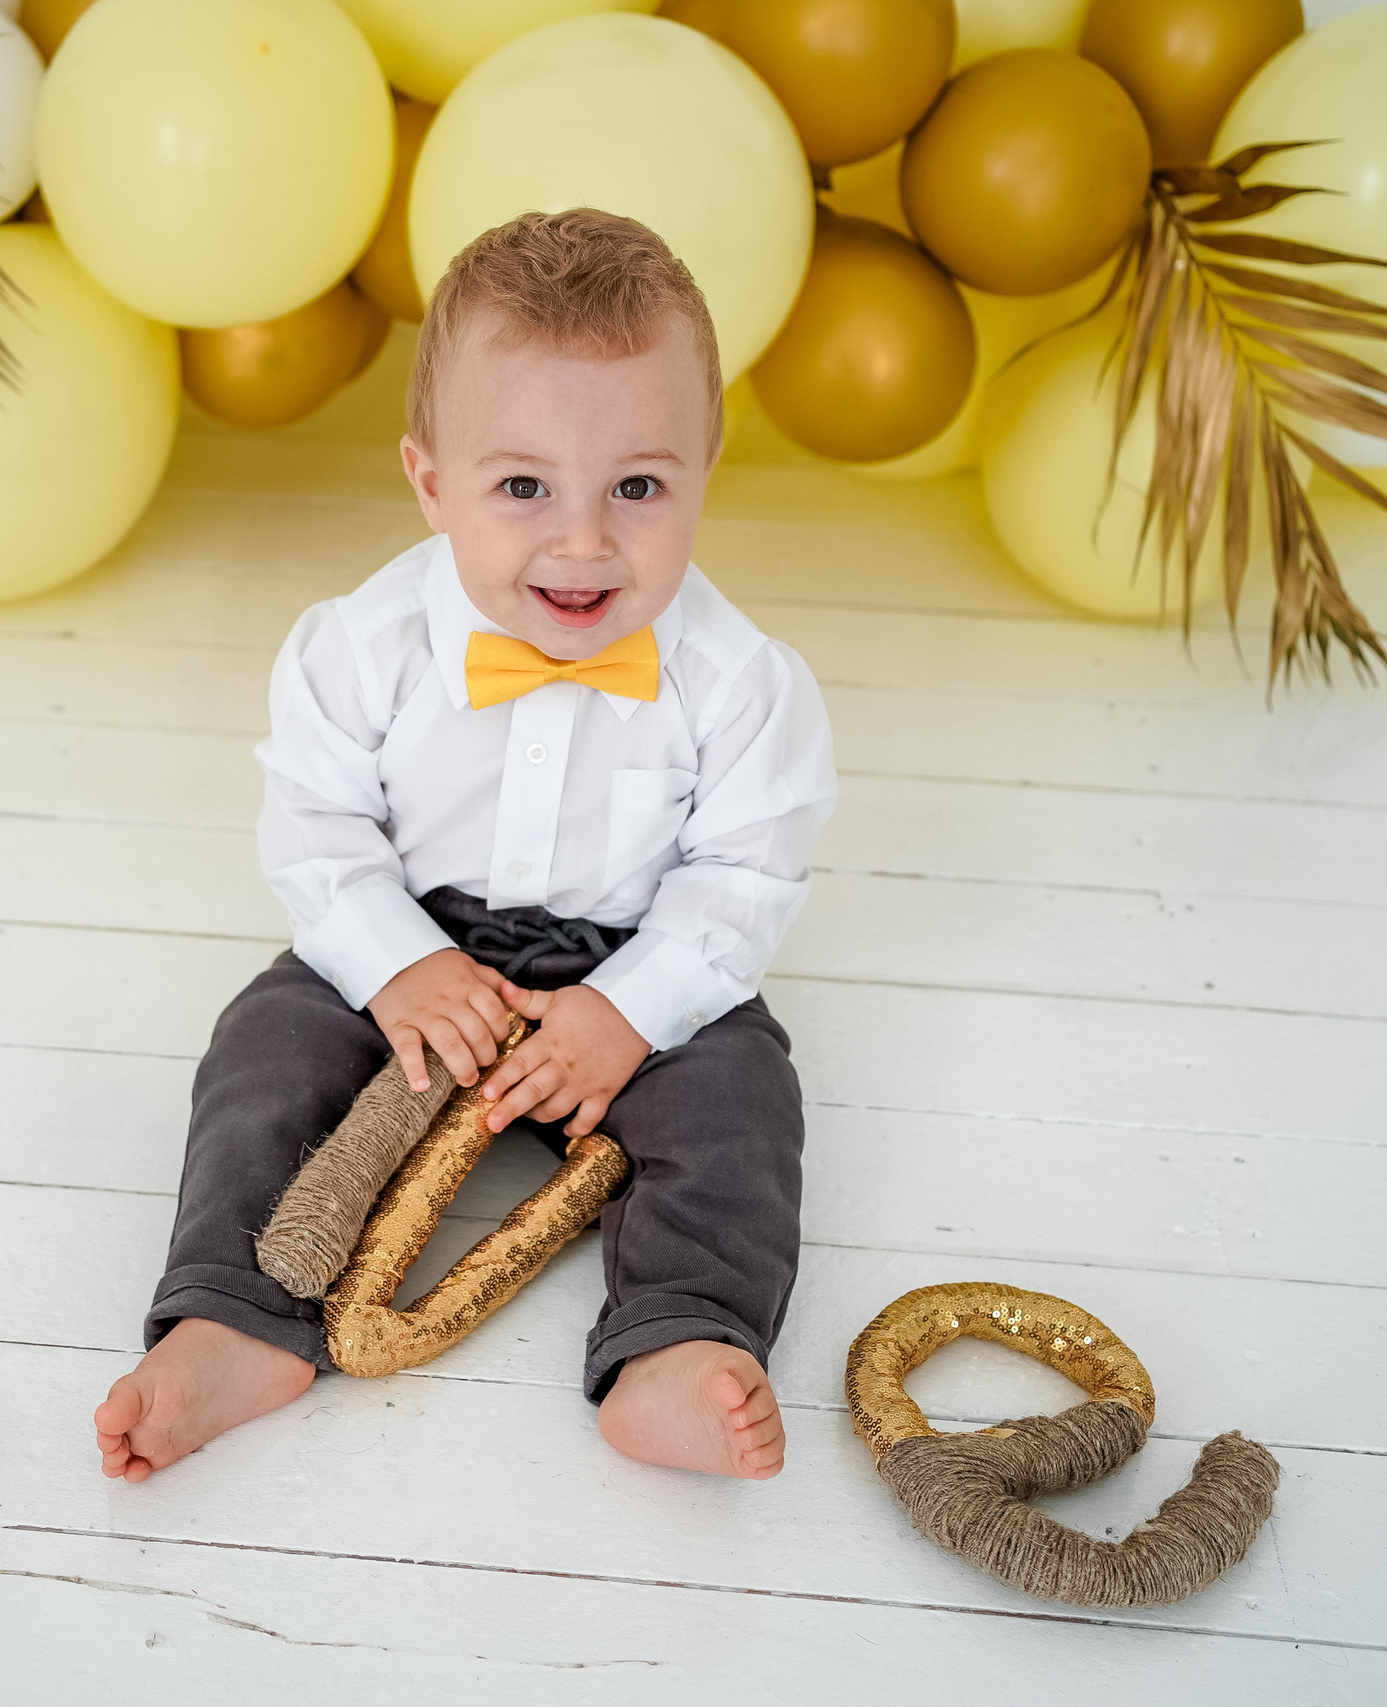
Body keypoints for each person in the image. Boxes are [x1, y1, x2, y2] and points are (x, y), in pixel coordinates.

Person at [94, 208, 837, 1484]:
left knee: (740, 1102)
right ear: (431, 480)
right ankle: (234, 1316)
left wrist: (629, 1011)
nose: (583, 540)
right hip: (419, 938)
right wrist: (390, 966)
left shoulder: (745, 683)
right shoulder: (355, 646)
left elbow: (741, 878)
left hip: (632, 956)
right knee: (264, 1053)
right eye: (522, 487)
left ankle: (675, 1341)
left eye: (639, 487)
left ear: (709, 463)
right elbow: (320, 830)